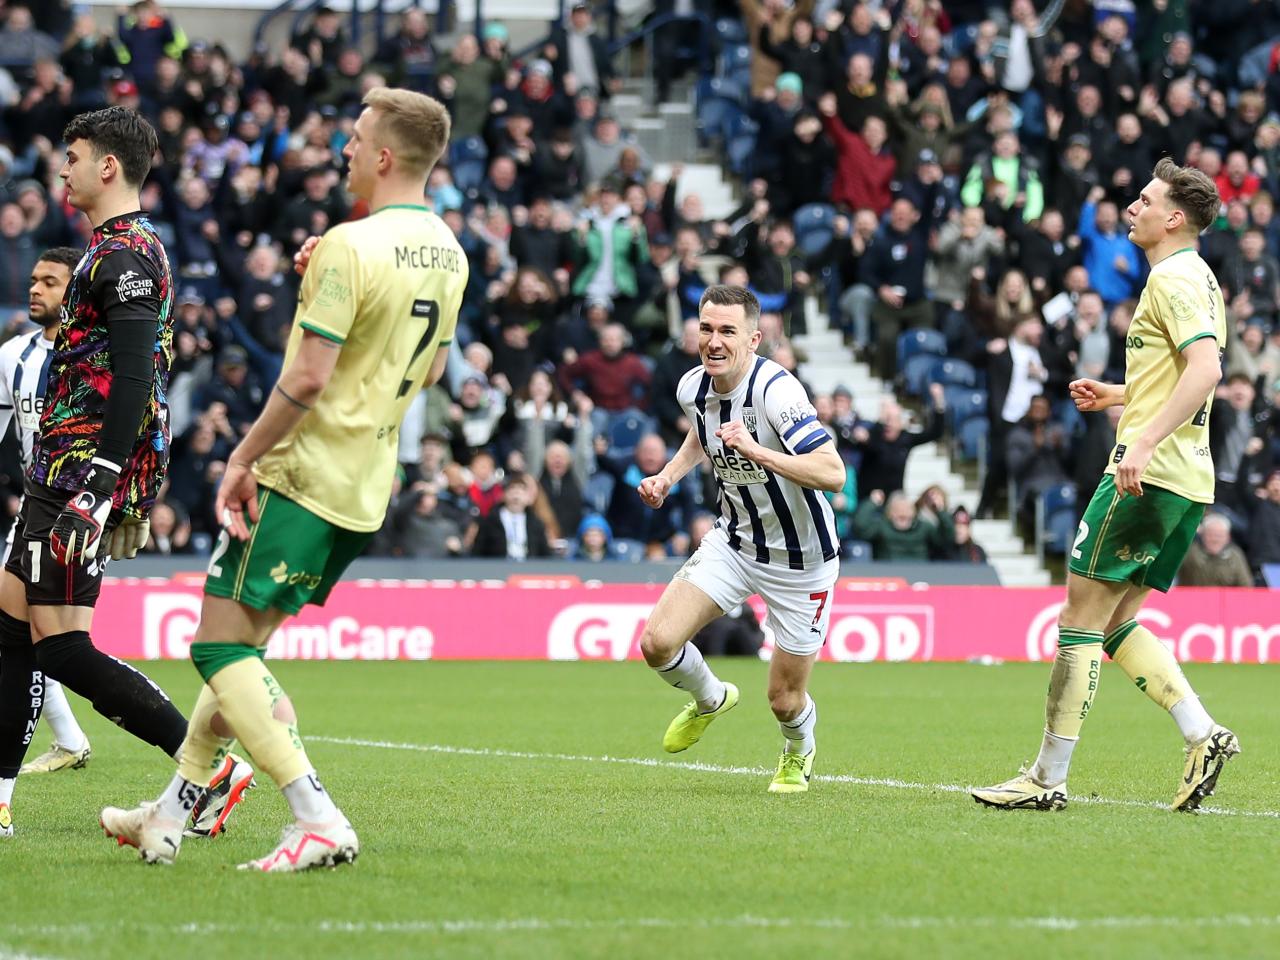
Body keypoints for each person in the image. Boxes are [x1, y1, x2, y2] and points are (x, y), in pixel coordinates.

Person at [100, 88, 469, 871]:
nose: (342, 148)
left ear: (383, 157)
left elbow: (305, 378)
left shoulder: (349, 244)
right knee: (243, 654)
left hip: (301, 472)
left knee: (215, 650)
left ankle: (316, 814)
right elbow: (431, 367)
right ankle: (168, 815)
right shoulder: (449, 249)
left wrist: (242, 459)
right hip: (367, 484)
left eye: (355, 137)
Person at [0, 108, 252, 840]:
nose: (63, 169)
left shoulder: (128, 255)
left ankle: (205, 770)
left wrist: (99, 487)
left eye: (73, 156)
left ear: (108, 166)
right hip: (59, 468)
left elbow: (138, 378)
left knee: (61, 647)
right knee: (12, 631)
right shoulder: (108, 249)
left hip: (78, 472)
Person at [973, 159, 1238, 814]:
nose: (1132, 208)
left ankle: (1046, 777)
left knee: (1078, 621)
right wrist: (1121, 395)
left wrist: (1142, 441)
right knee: (1119, 622)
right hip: (1186, 480)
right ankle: (1201, 733)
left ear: (1173, 217)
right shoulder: (1200, 279)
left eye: (1145, 200)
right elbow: (1187, 371)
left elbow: (1205, 371)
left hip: (1148, 472)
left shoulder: (1173, 279)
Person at [636, 284, 844, 793]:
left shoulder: (778, 392)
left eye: (727, 331)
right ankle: (711, 697)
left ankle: (799, 750)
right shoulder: (693, 387)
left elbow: (832, 471)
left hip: (802, 562)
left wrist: (759, 452)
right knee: (657, 642)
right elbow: (700, 432)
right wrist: (668, 476)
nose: (714, 340)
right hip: (734, 542)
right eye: (706, 328)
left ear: (754, 338)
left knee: (784, 701)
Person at [0, 248, 94, 776]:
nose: (35, 289)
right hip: (33, 511)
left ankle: (189, 753)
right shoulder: (12, 355)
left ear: (74, 292)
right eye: (33, 280)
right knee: (26, 634)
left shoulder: (94, 358)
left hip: (81, 512)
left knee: (59, 645)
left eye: (50, 283)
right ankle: (69, 738)